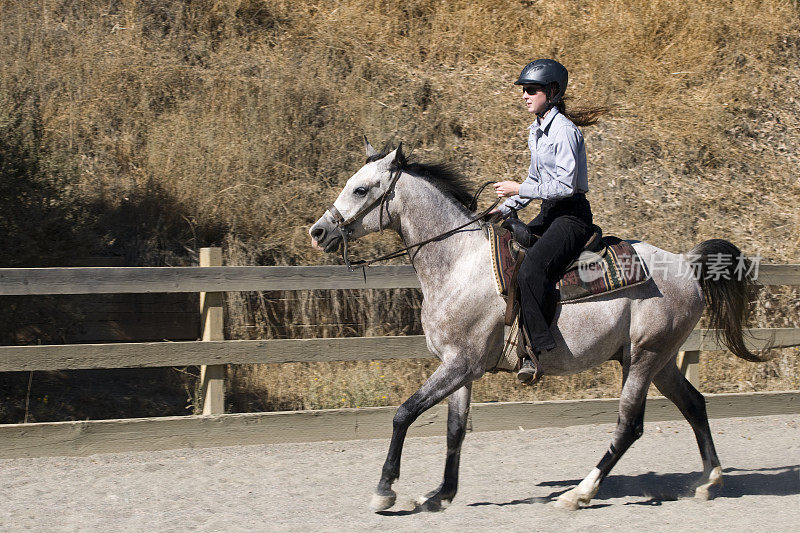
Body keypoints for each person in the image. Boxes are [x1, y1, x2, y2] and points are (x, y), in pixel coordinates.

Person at [491, 59, 605, 384]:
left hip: (572, 216)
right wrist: (503, 208)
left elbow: (565, 187)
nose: (524, 95)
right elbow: (534, 179)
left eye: (531, 90)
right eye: (523, 90)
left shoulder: (565, 131)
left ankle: (537, 351)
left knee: (531, 270)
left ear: (551, 91)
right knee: (505, 245)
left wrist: (518, 188)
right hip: (550, 212)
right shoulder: (536, 130)